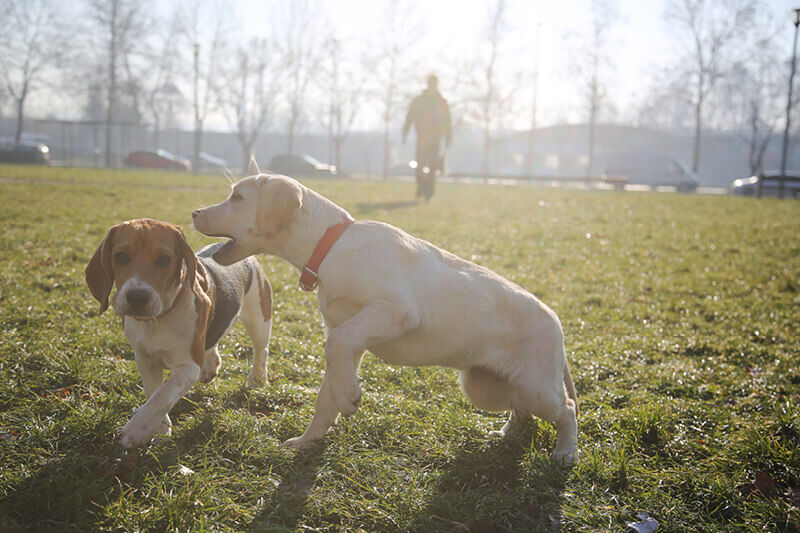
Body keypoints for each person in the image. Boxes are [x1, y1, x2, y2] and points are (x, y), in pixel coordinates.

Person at [402, 74, 452, 200]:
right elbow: (410, 116)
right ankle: (421, 187)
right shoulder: (420, 100)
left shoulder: (441, 101)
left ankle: (428, 193)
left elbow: (447, 121)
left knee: (432, 167)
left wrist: (448, 137)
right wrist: (405, 132)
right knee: (420, 165)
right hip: (422, 138)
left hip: (435, 139)